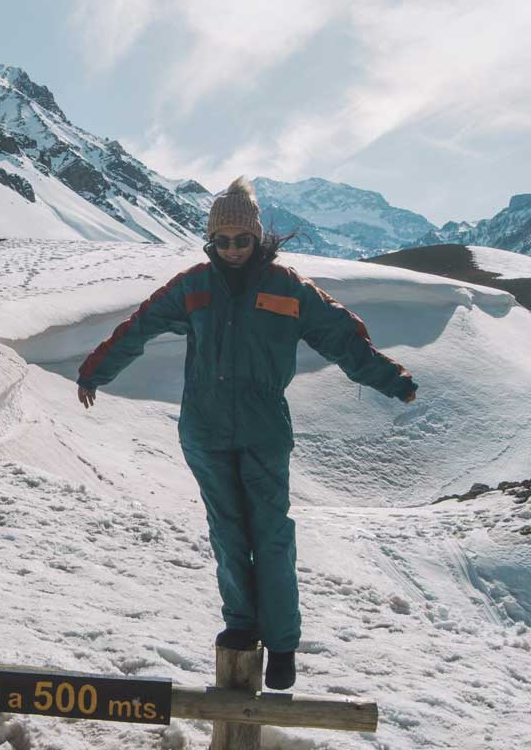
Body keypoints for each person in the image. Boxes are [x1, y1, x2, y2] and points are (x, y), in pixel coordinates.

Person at [75, 177, 417, 690]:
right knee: (228, 533)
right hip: (204, 431)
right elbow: (140, 325)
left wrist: (393, 381)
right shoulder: (193, 287)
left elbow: (344, 338)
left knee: (271, 536)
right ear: (211, 242)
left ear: (258, 238)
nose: (233, 250)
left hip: (263, 432)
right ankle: (240, 626)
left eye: (243, 239)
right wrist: (96, 370)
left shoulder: (289, 289)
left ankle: (282, 645)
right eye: (223, 241)